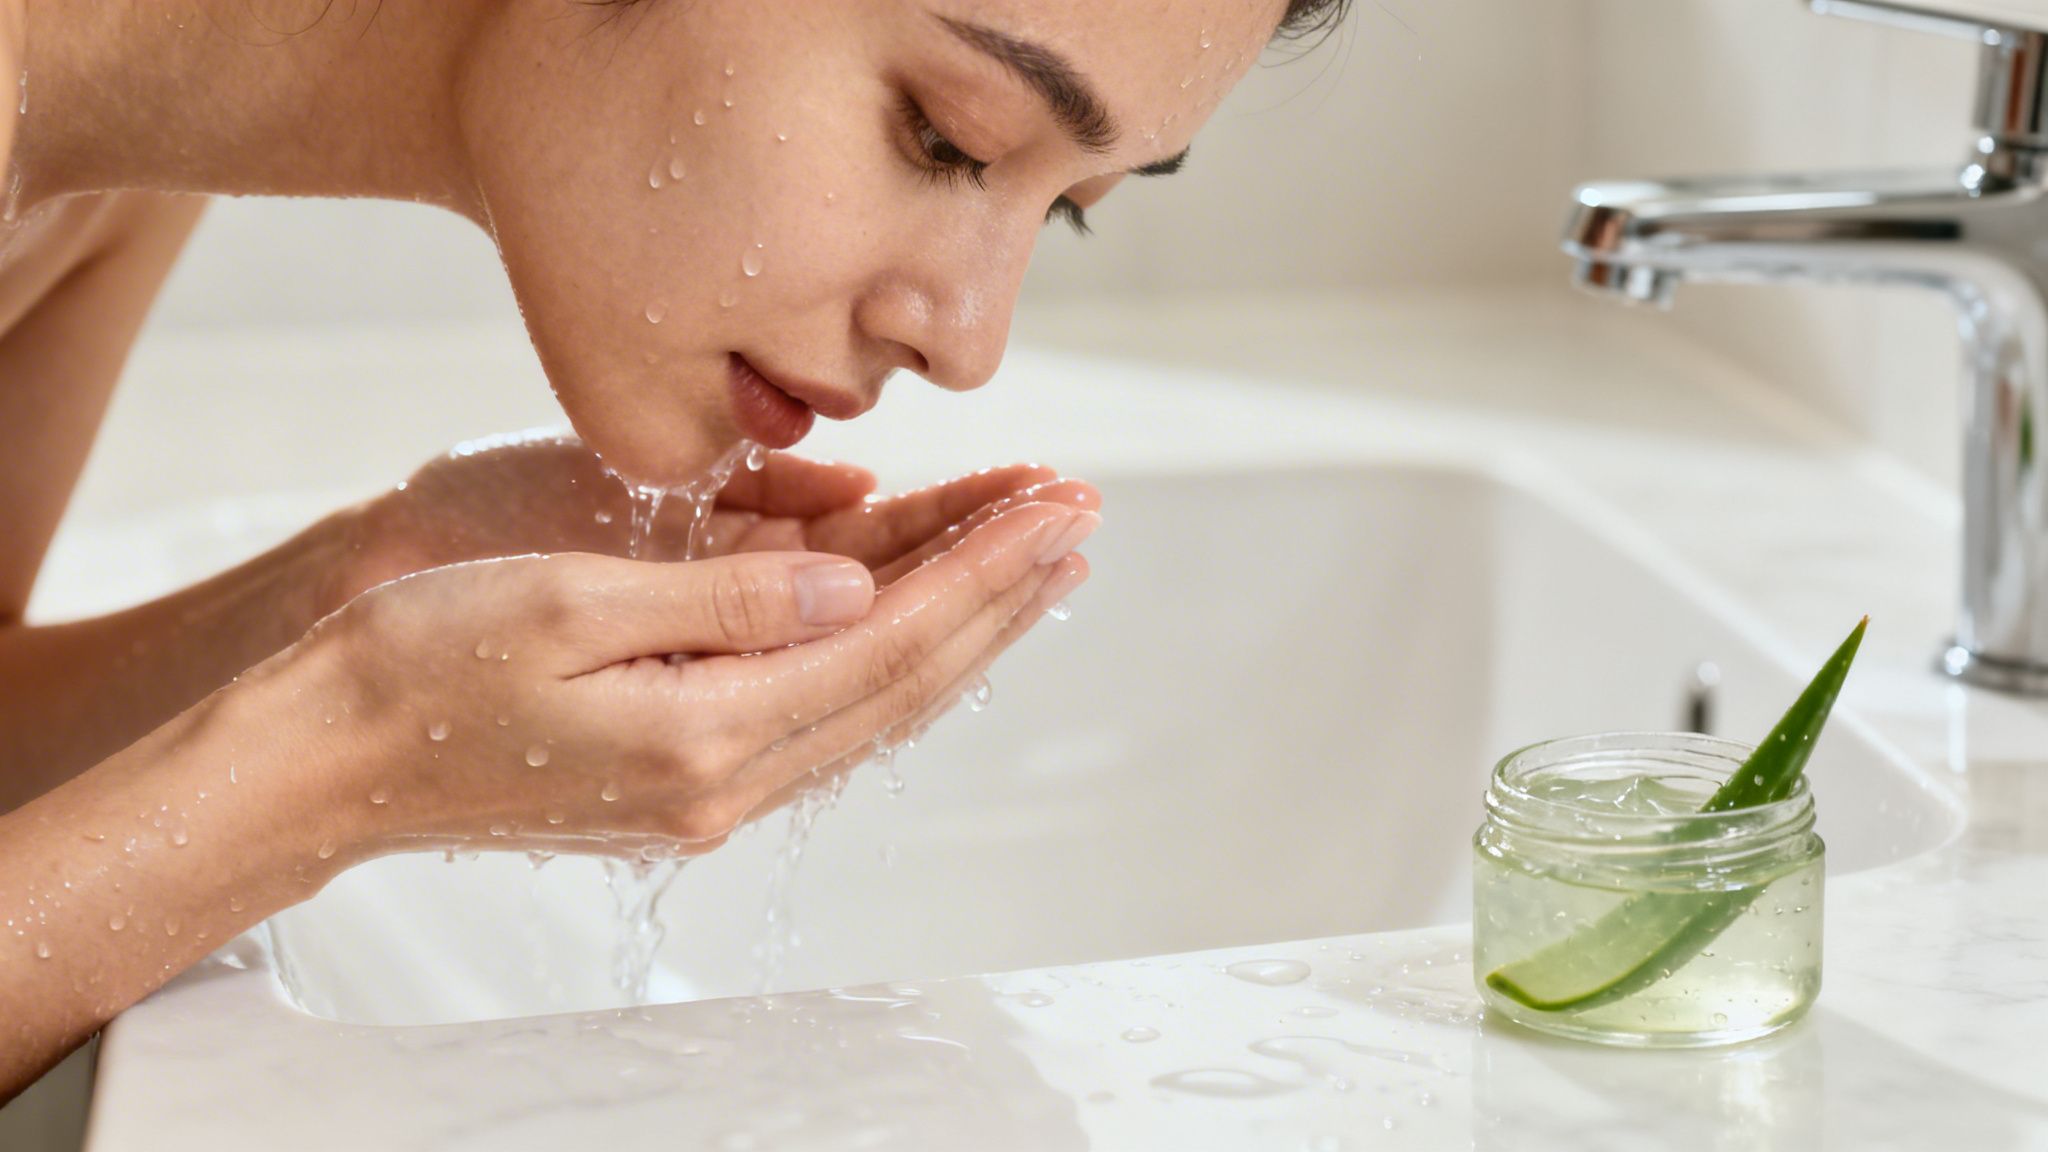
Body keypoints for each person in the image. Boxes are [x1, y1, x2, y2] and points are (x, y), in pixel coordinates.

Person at [0, 0, 1346, 1099]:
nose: (971, 337)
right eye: (945, 137)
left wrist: (352, 591)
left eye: (1071, 204)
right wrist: (340, 754)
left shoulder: (102, 158)